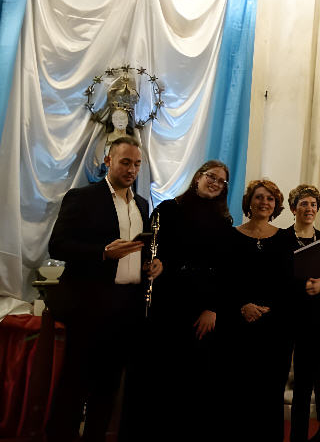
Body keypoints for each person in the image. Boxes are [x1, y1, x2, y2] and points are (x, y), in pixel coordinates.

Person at [46, 137, 159, 442]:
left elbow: (137, 249)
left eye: (137, 164)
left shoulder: (141, 203)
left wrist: (152, 263)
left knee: (109, 384)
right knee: (76, 381)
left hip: (127, 307)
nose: (132, 169)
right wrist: (102, 253)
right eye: (125, 162)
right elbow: (57, 245)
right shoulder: (82, 197)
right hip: (89, 305)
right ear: (109, 161)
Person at [146, 160, 232, 442]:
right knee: (164, 374)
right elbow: (152, 249)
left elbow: (225, 271)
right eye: (211, 177)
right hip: (168, 302)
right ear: (197, 177)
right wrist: (155, 261)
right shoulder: (168, 210)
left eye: (221, 181)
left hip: (203, 307)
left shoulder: (224, 222)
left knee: (195, 378)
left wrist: (214, 308)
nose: (215, 183)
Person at [224, 179, 293, 441]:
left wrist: (269, 308)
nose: (264, 202)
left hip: (275, 328)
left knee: (270, 392)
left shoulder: (285, 239)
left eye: (270, 199)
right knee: (238, 391)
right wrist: (242, 306)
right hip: (238, 325)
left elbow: (289, 283)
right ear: (249, 203)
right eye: (259, 197)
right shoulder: (232, 236)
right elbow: (224, 280)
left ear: (275, 205)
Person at [287, 184, 320, 442]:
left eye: (313, 204)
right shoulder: (282, 239)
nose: (309, 208)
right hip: (294, 319)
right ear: (293, 207)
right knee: (302, 385)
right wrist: (301, 285)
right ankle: (297, 435)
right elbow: (277, 279)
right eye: (304, 204)